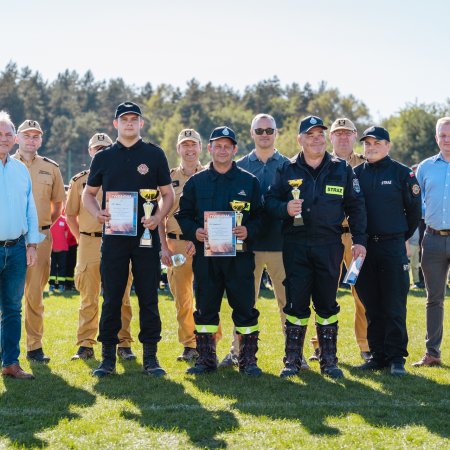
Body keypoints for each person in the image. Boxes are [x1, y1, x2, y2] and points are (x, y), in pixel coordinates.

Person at [265, 115, 367, 379]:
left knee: (327, 303)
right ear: (300, 139)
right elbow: (269, 202)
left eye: (320, 135)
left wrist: (359, 241)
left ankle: (328, 360)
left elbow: (356, 208)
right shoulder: (286, 170)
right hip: (295, 246)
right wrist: (285, 208)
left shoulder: (341, 169)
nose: (316, 139)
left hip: (329, 245)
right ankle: (292, 360)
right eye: (309, 135)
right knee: (296, 305)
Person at [83, 102, 174, 377]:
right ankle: (108, 358)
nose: (130, 123)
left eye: (135, 119)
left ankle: (151, 358)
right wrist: (98, 212)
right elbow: (87, 194)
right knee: (111, 297)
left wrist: (157, 218)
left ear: (141, 123)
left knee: (148, 296)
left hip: (146, 237)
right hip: (114, 238)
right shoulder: (103, 158)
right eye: (125, 119)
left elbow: (168, 194)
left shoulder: (155, 154)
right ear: (116, 124)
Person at [220, 114, 307, 368]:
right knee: (244, 302)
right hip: (249, 246)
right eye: (260, 131)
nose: (265, 134)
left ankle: (295, 355)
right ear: (252, 133)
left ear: (276, 133)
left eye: (269, 130)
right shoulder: (241, 165)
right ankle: (237, 352)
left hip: (284, 246)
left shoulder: (290, 165)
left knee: (288, 304)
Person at [176, 126, 263, 376]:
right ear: (210, 148)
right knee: (205, 308)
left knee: (245, 308)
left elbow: (261, 216)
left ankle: (247, 360)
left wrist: (248, 230)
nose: (222, 150)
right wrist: (195, 232)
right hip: (207, 257)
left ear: (235, 149)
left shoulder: (249, 181)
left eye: (228, 146)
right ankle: (205, 359)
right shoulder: (196, 182)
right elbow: (183, 214)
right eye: (218, 145)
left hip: (240, 257)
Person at [354, 126, 421, 376]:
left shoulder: (402, 173)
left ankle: (396, 357)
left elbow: (414, 212)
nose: (371, 147)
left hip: (393, 246)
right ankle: (377, 355)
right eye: (367, 143)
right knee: (371, 304)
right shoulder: (356, 174)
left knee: (394, 304)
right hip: (365, 247)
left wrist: (399, 236)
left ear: (388, 145)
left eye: (377, 143)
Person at [66, 132, 136, 361]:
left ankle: (123, 343)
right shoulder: (79, 181)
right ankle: (86, 344)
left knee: (122, 295)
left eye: (104, 148)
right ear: (90, 152)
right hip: (89, 241)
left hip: (118, 240)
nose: (100, 152)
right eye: (96, 149)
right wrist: (82, 238)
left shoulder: (123, 176)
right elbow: (70, 215)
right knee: (89, 297)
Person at [308, 118, 370, 362]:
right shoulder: (320, 163)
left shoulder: (365, 166)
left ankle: (366, 346)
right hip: (329, 235)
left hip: (355, 237)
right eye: (338, 134)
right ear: (330, 137)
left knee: (362, 292)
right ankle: (319, 345)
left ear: (355, 136)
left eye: (348, 134)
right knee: (323, 291)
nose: (343, 138)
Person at [159, 128, 222, 362]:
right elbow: (160, 215)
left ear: (201, 147)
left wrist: (198, 239)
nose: (189, 149)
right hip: (177, 246)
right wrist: (163, 247)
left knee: (209, 294)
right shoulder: (167, 178)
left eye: (193, 144)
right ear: (178, 149)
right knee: (182, 298)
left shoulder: (211, 174)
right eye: (184, 145)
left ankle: (211, 341)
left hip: (206, 243)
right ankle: (189, 343)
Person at [13, 119, 65, 363]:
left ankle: (34, 348)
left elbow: (58, 206)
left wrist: (41, 229)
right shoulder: (6, 165)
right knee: (7, 296)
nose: (31, 140)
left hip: (41, 238)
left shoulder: (51, 168)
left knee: (34, 295)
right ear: (16, 138)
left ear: (41, 140)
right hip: (9, 239)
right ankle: (7, 349)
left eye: (36, 136)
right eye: (26, 135)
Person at [0, 111, 41, 379]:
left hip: (16, 249)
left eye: (6, 135)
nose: (3, 139)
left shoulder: (20, 170)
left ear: (14, 138)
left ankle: (10, 364)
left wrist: (32, 244)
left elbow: (30, 208)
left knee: (13, 308)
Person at [413, 117, 450, 367]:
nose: (447, 139)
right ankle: (432, 353)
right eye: (443, 135)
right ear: (436, 138)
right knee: (434, 298)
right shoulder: (424, 168)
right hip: (433, 239)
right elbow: (418, 202)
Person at [49, 212, 69, 292]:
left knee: (62, 267)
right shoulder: (50, 219)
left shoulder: (64, 220)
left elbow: (66, 234)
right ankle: (52, 285)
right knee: (52, 267)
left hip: (63, 249)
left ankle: (61, 285)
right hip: (52, 249)